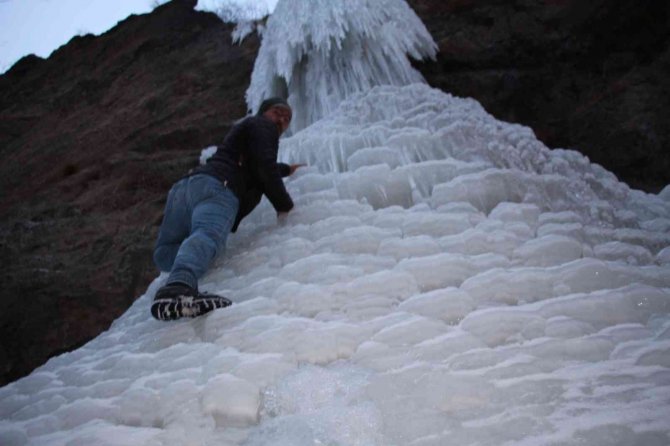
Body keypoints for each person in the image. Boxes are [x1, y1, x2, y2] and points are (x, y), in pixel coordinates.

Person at [151, 97, 301, 321]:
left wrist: (286, 169)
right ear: (263, 112)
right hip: (220, 189)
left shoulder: (249, 130)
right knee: (208, 237)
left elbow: (250, 164)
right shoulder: (263, 125)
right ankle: (179, 287)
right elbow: (263, 166)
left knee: (165, 253)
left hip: (186, 189)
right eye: (277, 112)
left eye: (287, 118)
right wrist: (284, 205)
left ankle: (180, 272)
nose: (281, 119)